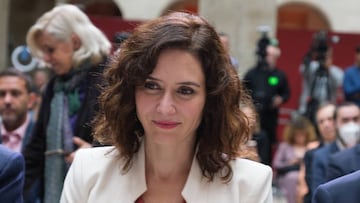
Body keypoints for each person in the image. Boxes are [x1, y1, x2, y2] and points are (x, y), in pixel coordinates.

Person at [60, 12, 273, 203]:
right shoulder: (87, 171)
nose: (165, 108)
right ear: (130, 90)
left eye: (185, 91)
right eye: (151, 86)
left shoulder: (249, 186)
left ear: (210, 99)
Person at [23, 4, 111, 203]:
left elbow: (129, 138)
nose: (46, 59)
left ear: (75, 42)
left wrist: (95, 153)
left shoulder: (111, 78)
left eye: (50, 50)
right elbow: (37, 147)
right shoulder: (55, 84)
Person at [243, 42, 290, 165]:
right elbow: (242, 89)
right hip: (253, 112)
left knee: (267, 143)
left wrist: (280, 99)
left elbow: (286, 93)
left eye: (273, 56)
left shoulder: (279, 75)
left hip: (270, 115)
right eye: (268, 55)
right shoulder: (252, 73)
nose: (270, 58)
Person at [310, 102, 360, 193]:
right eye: (345, 120)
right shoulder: (321, 156)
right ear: (335, 123)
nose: (351, 125)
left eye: (355, 119)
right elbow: (318, 194)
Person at [297, 102, 337, 203]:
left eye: (330, 119)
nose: (326, 125)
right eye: (321, 121)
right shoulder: (312, 154)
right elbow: (309, 187)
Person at [272, 115, 316, 203]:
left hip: (307, 175)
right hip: (288, 177)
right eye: (297, 135)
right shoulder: (285, 146)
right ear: (292, 134)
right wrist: (290, 163)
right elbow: (276, 164)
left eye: (302, 134)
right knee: (292, 177)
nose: (300, 138)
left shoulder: (312, 146)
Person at [0, 68, 36, 153]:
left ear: (30, 100)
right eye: (1, 94)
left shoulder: (43, 137)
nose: (7, 101)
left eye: (15, 93)